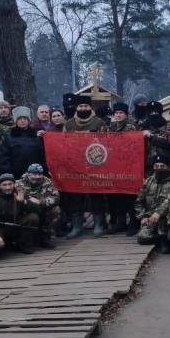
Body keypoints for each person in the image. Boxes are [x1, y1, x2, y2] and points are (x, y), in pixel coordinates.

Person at [63, 95, 109, 238]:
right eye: (80, 106)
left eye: (86, 106)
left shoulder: (99, 122)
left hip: (95, 165)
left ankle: (98, 225)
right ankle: (77, 226)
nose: (83, 108)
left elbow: (107, 142)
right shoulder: (69, 124)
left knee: (96, 195)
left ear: (90, 107)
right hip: (75, 165)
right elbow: (63, 143)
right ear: (76, 107)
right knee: (75, 196)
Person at [0, 173, 40, 256]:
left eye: (10, 184)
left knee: (33, 218)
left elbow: (38, 210)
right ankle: (3, 247)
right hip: (1, 229)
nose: (8, 187)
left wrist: (23, 202)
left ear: (14, 184)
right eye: (4, 185)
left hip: (17, 225)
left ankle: (22, 244)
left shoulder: (20, 193)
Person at [134, 155, 170, 254]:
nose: (159, 168)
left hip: (168, 218)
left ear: (167, 167)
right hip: (150, 218)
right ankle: (157, 238)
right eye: (156, 166)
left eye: (162, 166)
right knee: (142, 238)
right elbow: (139, 201)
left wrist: (159, 213)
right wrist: (143, 216)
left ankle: (163, 238)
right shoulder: (148, 181)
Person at [107, 102, 138, 235]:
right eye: (116, 113)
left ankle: (133, 222)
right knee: (117, 195)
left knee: (130, 195)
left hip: (128, 166)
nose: (118, 115)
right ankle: (120, 222)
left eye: (121, 113)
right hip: (115, 166)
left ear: (126, 114)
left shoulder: (130, 127)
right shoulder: (111, 127)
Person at [17, 164, 62, 248]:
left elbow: (56, 198)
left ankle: (45, 236)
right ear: (28, 174)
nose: (37, 177)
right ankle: (26, 238)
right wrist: (26, 201)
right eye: (34, 174)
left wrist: (40, 202)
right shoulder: (19, 183)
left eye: (40, 174)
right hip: (26, 210)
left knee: (56, 210)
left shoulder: (47, 182)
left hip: (42, 208)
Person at [0, 106, 44, 179]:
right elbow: (3, 157)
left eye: (25, 118)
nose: (22, 121)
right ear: (16, 121)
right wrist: (9, 174)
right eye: (19, 119)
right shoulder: (8, 136)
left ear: (29, 120)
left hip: (35, 175)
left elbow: (42, 156)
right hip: (16, 176)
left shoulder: (36, 135)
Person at [141, 101, 170, 172]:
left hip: (165, 165)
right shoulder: (143, 127)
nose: (153, 114)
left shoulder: (169, 126)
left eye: (155, 112)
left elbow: (168, 141)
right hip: (148, 166)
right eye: (151, 112)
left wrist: (150, 136)